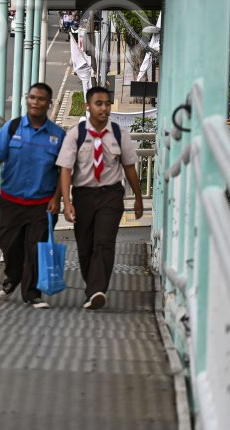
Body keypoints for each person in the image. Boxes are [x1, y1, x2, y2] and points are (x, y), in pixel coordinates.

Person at [57, 86, 144, 310]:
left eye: (107, 103)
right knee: (85, 246)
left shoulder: (118, 133)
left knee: (104, 242)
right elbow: (65, 169)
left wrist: (138, 197)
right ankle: (92, 288)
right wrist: (66, 203)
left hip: (110, 195)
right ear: (88, 106)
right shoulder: (76, 135)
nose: (104, 108)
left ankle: (97, 290)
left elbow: (129, 167)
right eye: (99, 103)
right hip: (83, 195)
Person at [0, 82, 65, 308]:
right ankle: (13, 275)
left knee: (35, 248)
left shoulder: (58, 136)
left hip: (42, 203)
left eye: (41, 99)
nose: (35, 102)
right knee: (8, 242)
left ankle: (32, 294)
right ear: (27, 100)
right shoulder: (12, 128)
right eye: (32, 97)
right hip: (12, 199)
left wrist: (56, 198)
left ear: (49, 104)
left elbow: (64, 170)